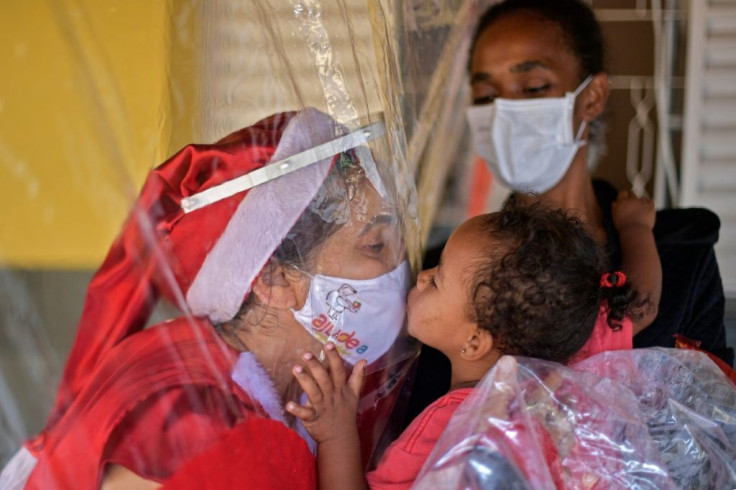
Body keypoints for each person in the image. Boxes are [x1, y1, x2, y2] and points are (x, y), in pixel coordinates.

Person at [0, 108, 416, 489]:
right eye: (376, 246)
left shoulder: (194, 354)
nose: (402, 267)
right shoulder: (212, 431)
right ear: (273, 278)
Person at [285, 202, 644, 489]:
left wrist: (337, 432)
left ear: (473, 342)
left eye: (437, 279)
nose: (422, 276)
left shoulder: (453, 430)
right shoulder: (567, 382)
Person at [465, 0, 731, 364]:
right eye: (486, 95)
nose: (504, 114)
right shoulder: (455, 271)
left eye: (532, 88)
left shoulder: (681, 251)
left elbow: (711, 405)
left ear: (592, 97)